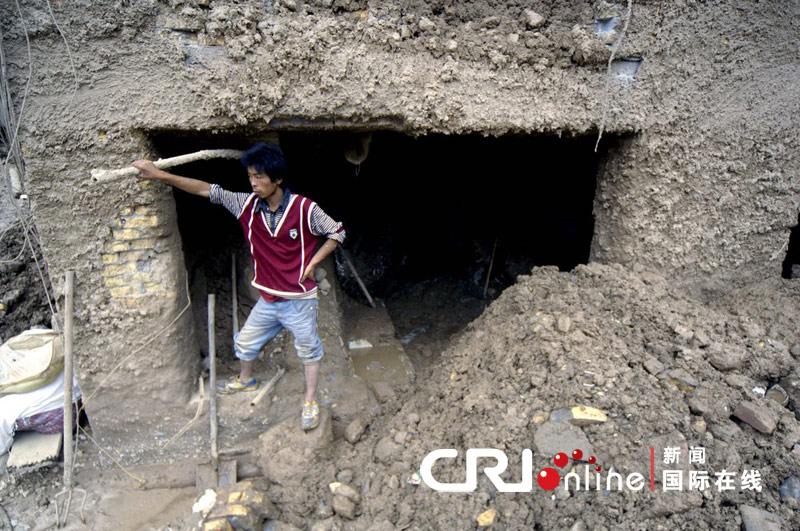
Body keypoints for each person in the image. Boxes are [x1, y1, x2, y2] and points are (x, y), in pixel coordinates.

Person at [132, 143, 344, 430]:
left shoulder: (304, 209)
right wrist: (160, 175)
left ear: (277, 179)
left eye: (259, 177)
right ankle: (246, 380)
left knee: (308, 350)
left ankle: (309, 400)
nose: (253, 183)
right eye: (250, 177)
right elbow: (205, 189)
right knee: (244, 342)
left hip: (299, 299)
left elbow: (337, 232)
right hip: (269, 298)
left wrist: (313, 263)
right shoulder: (245, 205)